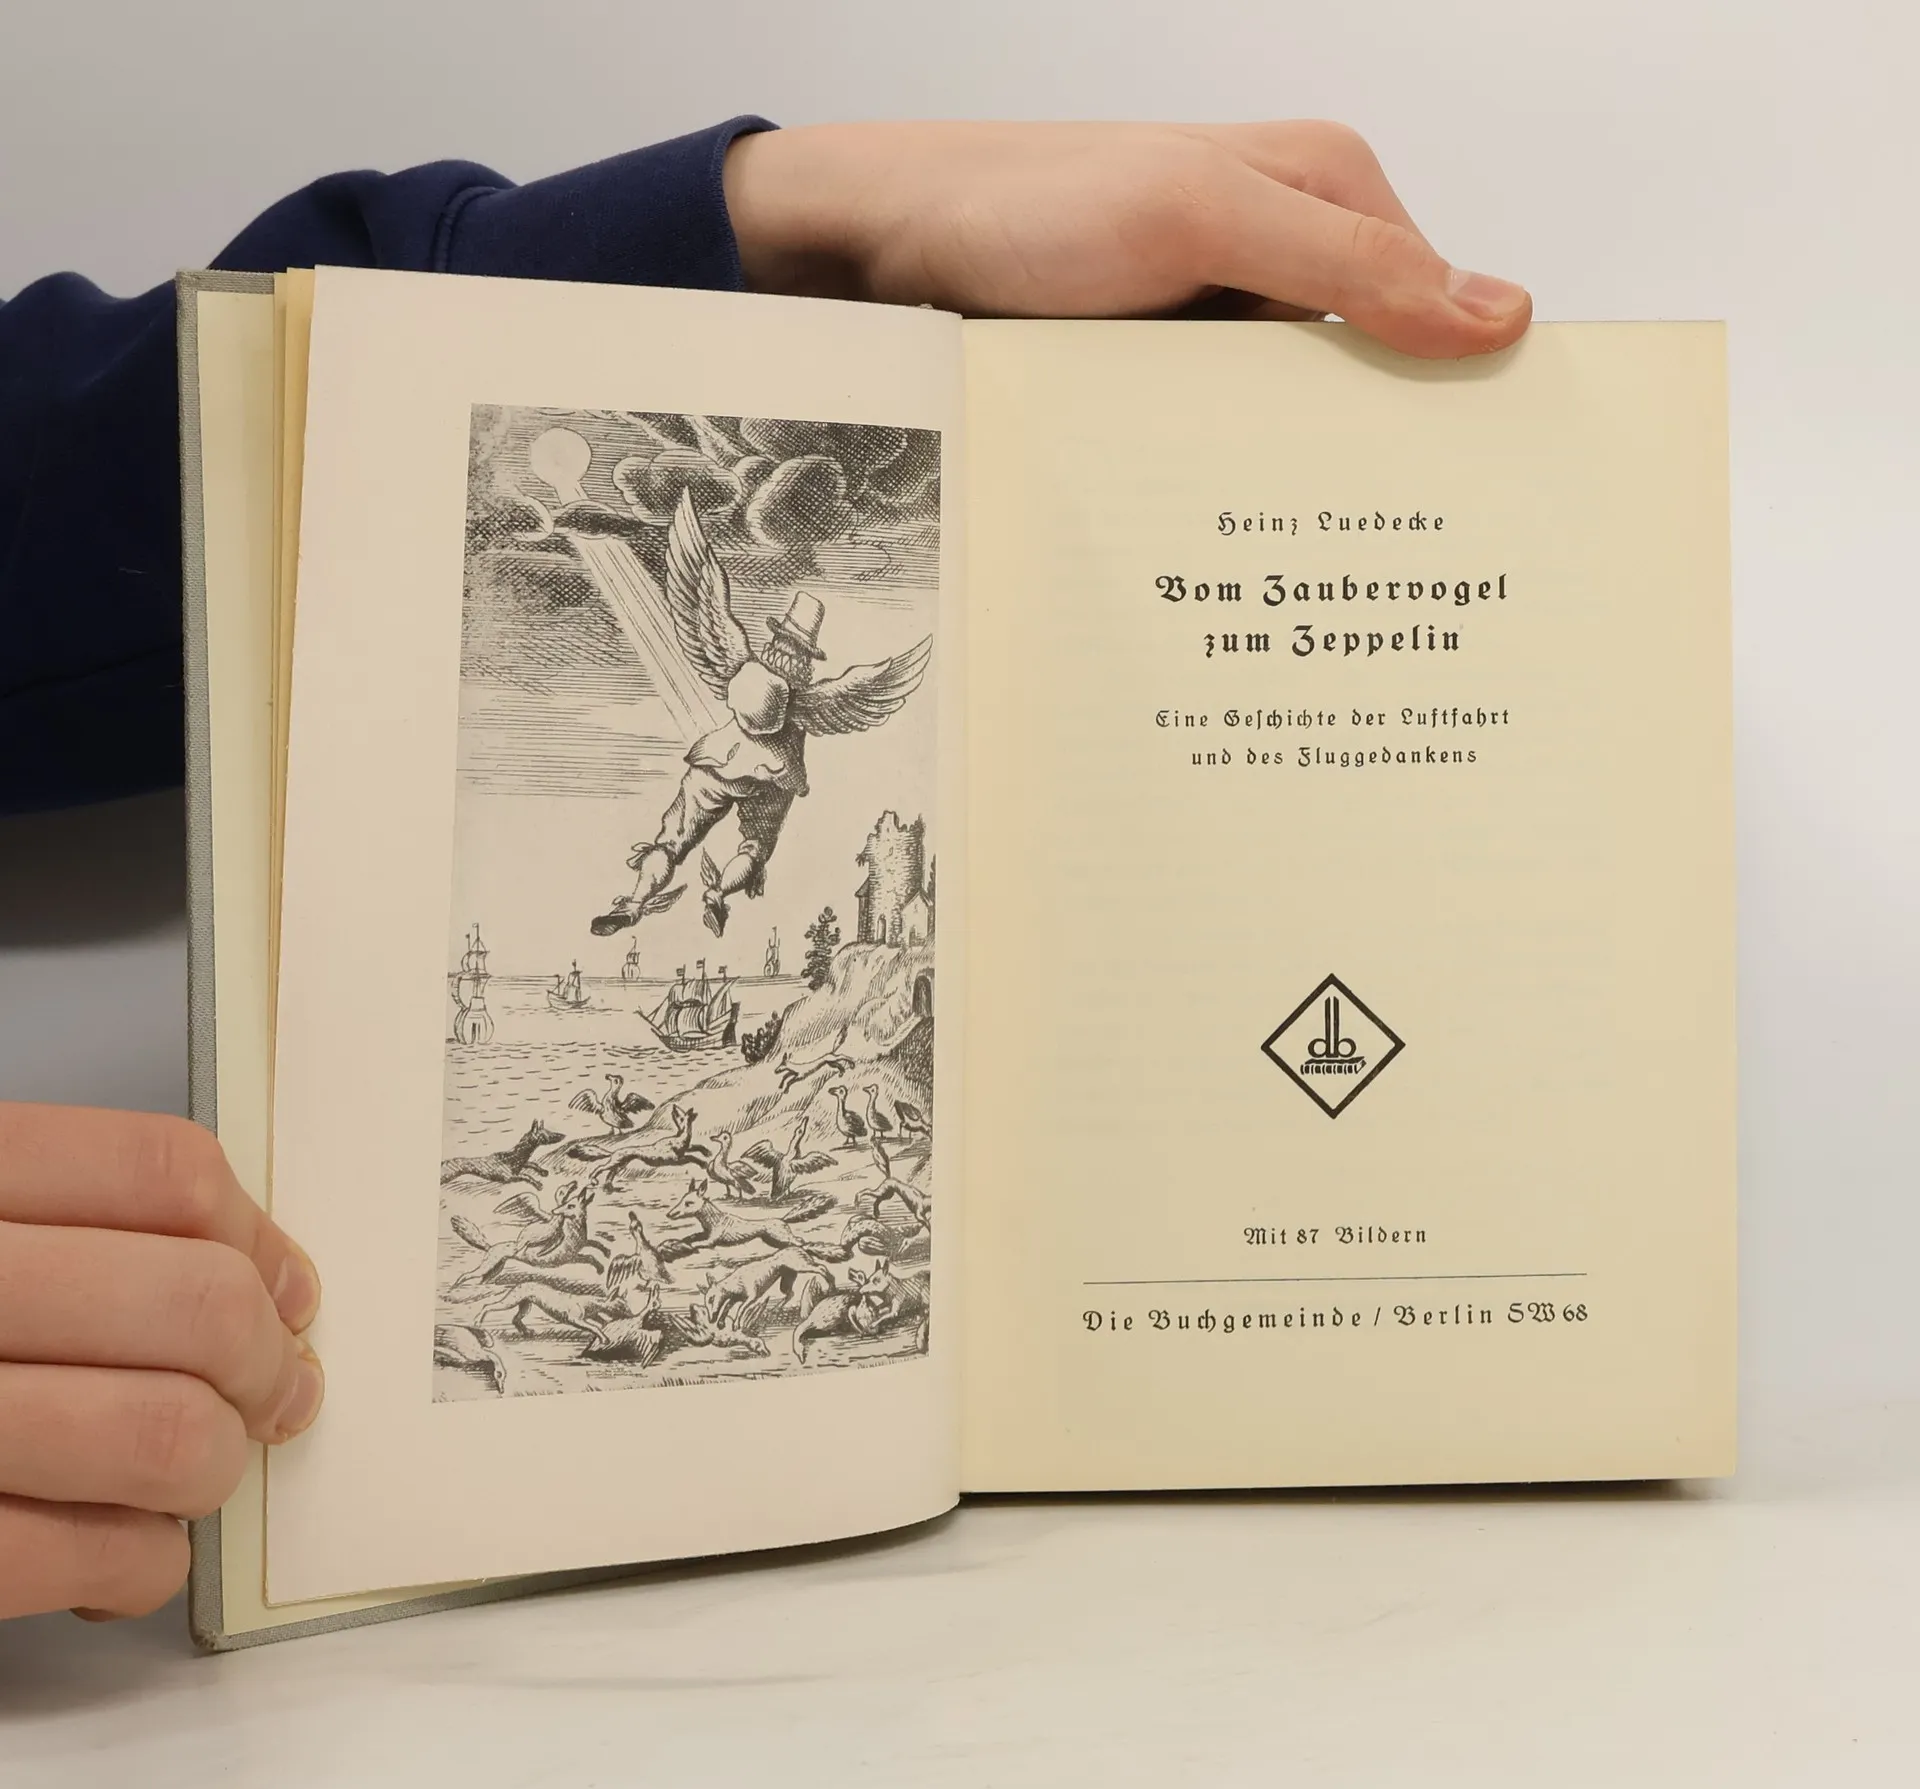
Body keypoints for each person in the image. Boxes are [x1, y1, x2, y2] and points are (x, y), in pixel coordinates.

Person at [0, 116, 1531, 1624]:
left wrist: (805, 224)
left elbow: (85, 486)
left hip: (758, 792)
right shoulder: (743, 663)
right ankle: (674, 894)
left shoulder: (797, 694)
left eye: (795, 643)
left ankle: (706, 898)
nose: (790, 647)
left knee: (731, 856)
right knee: (687, 843)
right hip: (720, 787)